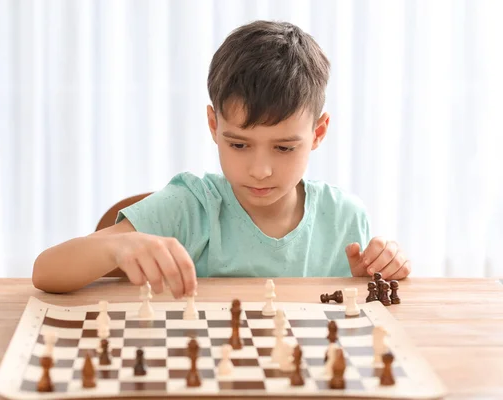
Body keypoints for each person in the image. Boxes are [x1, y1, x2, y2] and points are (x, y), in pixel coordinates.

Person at [32, 20, 411, 296]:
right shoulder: (190, 206)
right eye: (239, 144)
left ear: (318, 133)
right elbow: (45, 272)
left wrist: (380, 271)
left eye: (283, 148)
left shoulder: (345, 216)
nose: (260, 171)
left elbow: (364, 313)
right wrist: (115, 245)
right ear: (213, 125)